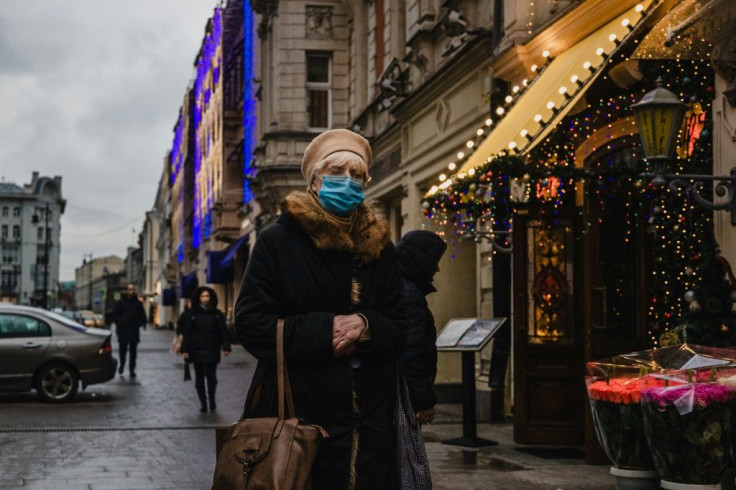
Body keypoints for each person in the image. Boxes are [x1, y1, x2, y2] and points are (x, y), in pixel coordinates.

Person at [235, 128, 407, 489]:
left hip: (371, 424)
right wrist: (322, 332)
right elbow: (250, 324)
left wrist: (367, 324)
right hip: (300, 421)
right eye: (336, 173)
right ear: (314, 180)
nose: (347, 182)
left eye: (357, 175)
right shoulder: (277, 241)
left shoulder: (381, 247)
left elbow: (401, 323)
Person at [396, 230, 447, 425]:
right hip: (402, 396)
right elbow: (412, 352)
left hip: (398, 393)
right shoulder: (409, 295)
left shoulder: (402, 288)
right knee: (405, 453)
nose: (437, 269)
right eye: (434, 261)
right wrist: (423, 400)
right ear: (420, 261)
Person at [180, 287, 231, 412]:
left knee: (211, 378)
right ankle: (203, 403)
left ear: (211, 297)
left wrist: (225, 346)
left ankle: (212, 401)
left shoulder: (217, 314)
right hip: (196, 351)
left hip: (212, 350)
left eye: (207, 296)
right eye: (203, 296)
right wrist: (184, 350)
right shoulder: (192, 314)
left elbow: (223, 332)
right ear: (199, 298)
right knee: (199, 379)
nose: (205, 299)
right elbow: (187, 333)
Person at [112, 283, 147, 378]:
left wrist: (138, 323)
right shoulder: (120, 302)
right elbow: (115, 315)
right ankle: (122, 365)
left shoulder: (138, 303)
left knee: (133, 352)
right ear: (127, 290)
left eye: (132, 289)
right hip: (123, 331)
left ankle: (132, 369)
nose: (131, 291)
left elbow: (143, 316)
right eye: (129, 289)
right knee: (122, 351)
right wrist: (120, 322)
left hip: (133, 331)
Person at [175, 300, 193, 381]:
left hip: (193, 338)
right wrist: (179, 334)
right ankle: (187, 372)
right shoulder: (184, 314)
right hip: (186, 338)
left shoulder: (196, 314)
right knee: (186, 353)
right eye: (190, 303)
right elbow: (179, 324)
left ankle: (188, 372)